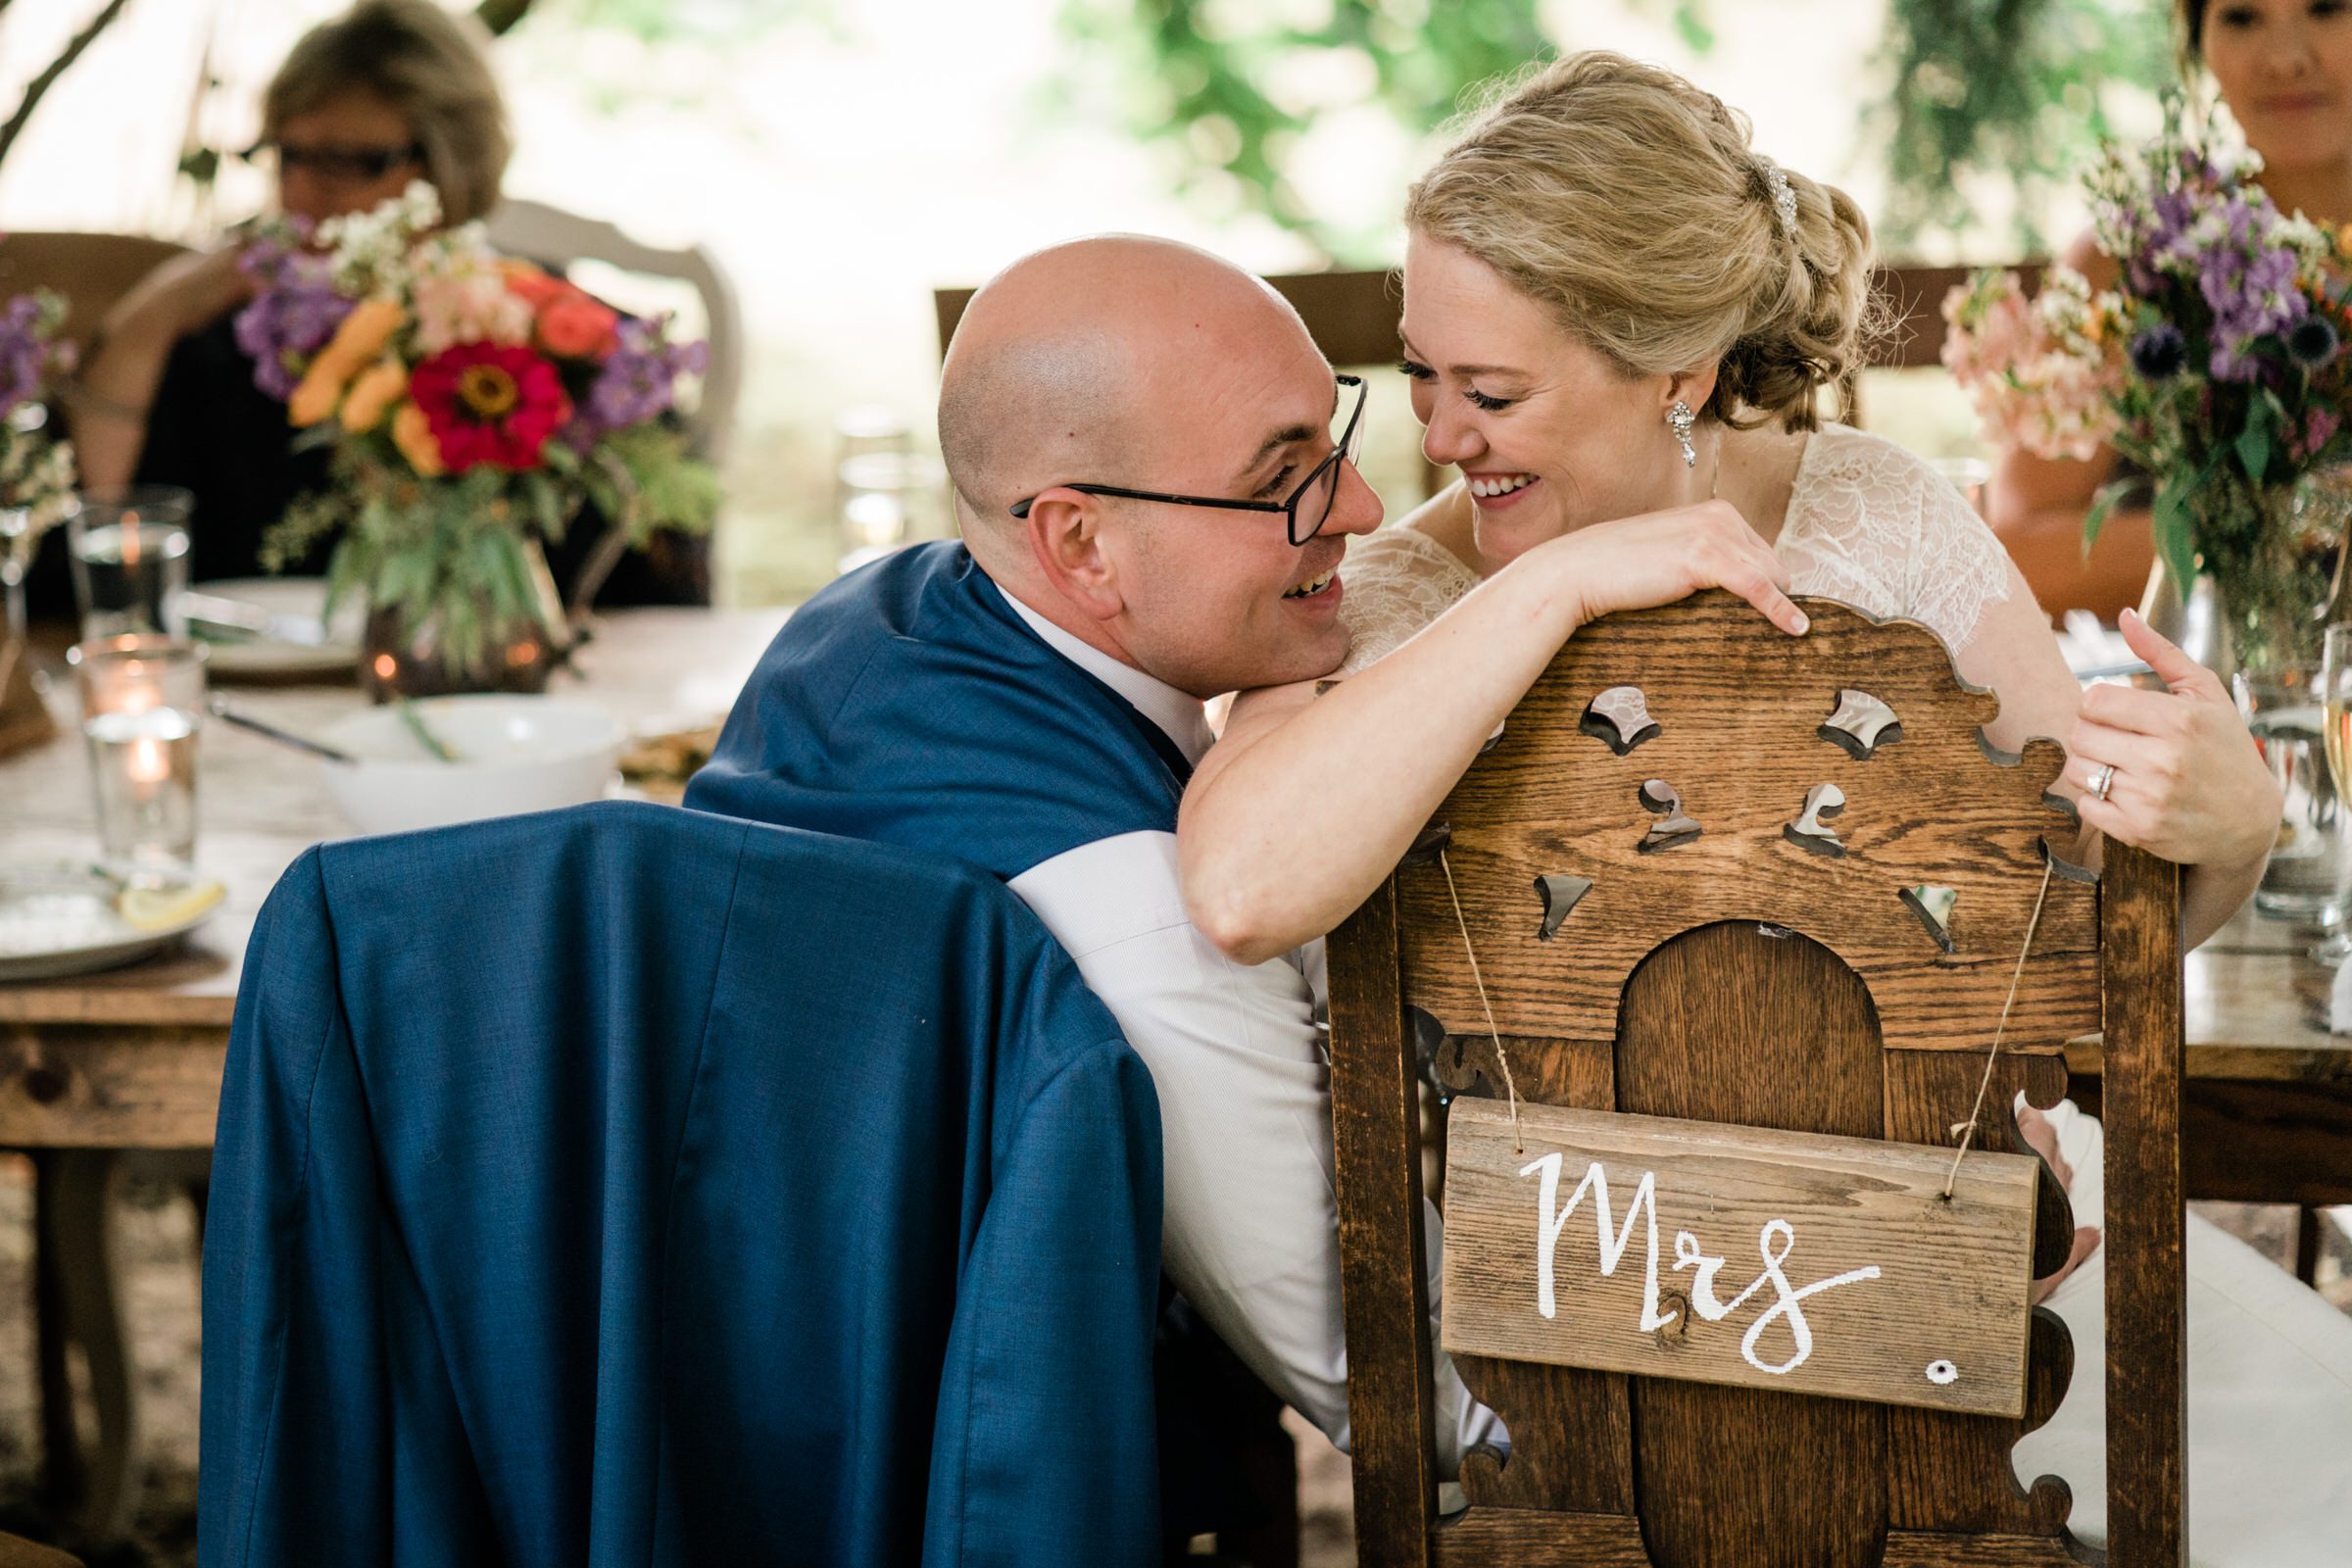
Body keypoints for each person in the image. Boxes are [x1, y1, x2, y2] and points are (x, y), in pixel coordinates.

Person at [1175, 52, 2352, 1559]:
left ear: (1674, 368)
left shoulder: (1876, 512)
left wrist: (2232, 826)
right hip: (1604, 1333)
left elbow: (2080, 934)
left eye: (1492, 390)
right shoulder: (1397, 592)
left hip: (1944, 1291)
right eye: (1420, 374)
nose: (1441, 435)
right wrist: (1557, 582)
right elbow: (1241, 888)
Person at [681, 235, 1804, 1512]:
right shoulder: (1123, 916)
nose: (1365, 509)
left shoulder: (881, 612)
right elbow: (1394, 1365)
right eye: (1287, 480)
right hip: (969, 1488)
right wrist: (1838, 1304)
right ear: (1082, 544)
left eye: (1337, 438)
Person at [46, 0, 699, 613]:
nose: (301, 193)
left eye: (344, 162)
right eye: (286, 156)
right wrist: (146, 322)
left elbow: (662, 599)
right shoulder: (230, 345)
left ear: (449, 166)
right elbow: (93, 569)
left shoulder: (556, 338)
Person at [1983, 0, 2352, 619]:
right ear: (2196, 39)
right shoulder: (2132, 260)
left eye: (2328, 9)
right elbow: (2019, 556)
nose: (2287, 60)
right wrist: (2282, 521)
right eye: (2241, 17)